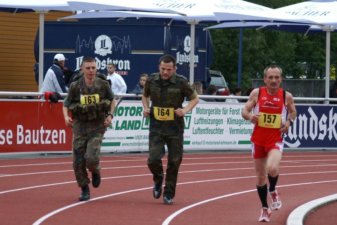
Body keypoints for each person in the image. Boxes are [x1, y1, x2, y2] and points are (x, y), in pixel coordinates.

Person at [241, 65, 296, 222]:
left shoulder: (287, 96)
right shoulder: (257, 93)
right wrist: (250, 116)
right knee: (260, 177)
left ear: (281, 79)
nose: (273, 80)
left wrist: (289, 123)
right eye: (270, 77)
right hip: (258, 140)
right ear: (265, 79)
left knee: (272, 168)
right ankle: (265, 209)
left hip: (275, 139)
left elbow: (293, 112)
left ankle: (272, 189)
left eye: (276, 77)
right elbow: (244, 111)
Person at [142, 54, 199, 205]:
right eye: (163, 69)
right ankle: (158, 178)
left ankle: (168, 193)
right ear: (158, 67)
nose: (165, 72)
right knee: (153, 159)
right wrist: (146, 107)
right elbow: (145, 95)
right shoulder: (151, 80)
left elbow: (195, 98)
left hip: (175, 128)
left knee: (174, 161)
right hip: (156, 127)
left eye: (168, 69)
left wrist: (185, 110)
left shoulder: (181, 82)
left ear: (174, 69)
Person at [62, 56, 116, 202]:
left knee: (91, 158)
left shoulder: (103, 84)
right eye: (88, 68)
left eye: (93, 68)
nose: (91, 71)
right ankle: (84, 188)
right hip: (79, 126)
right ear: (82, 69)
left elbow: (112, 100)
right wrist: (66, 117)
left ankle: (95, 171)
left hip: (97, 126)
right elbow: (66, 104)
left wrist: (110, 115)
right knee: (77, 162)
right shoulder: (75, 86)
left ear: (96, 68)